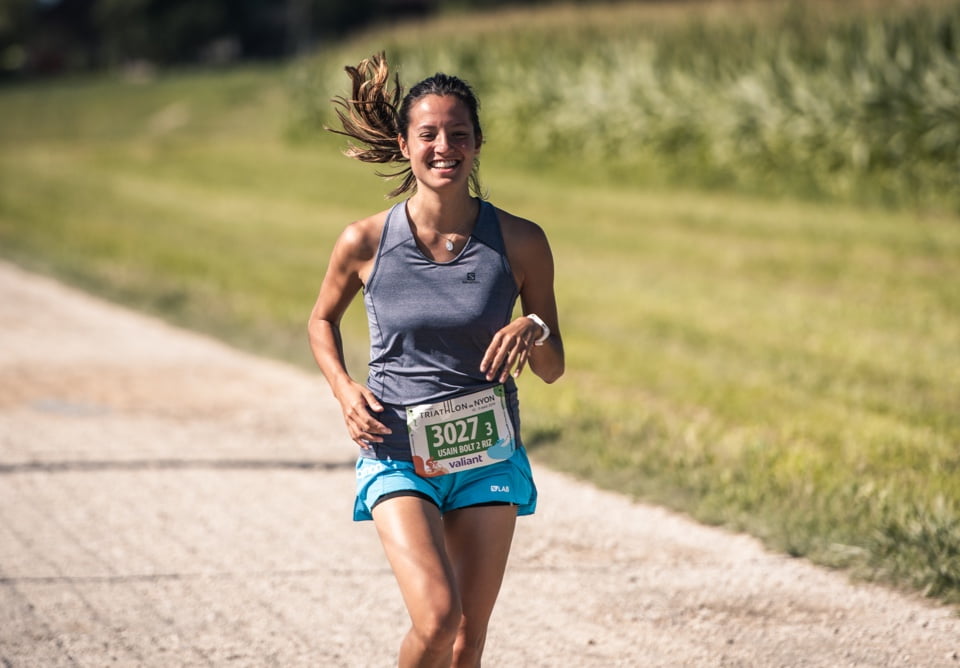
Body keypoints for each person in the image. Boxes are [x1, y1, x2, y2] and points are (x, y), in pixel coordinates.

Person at [307, 52, 564, 667]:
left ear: (478, 144)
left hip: (486, 454)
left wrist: (534, 327)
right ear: (404, 144)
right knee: (437, 617)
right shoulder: (365, 241)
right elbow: (321, 320)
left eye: (458, 134)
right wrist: (344, 389)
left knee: (466, 644)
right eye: (428, 134)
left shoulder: (521, 240)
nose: (444, 146)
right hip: (397, 450)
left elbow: (553, 365)